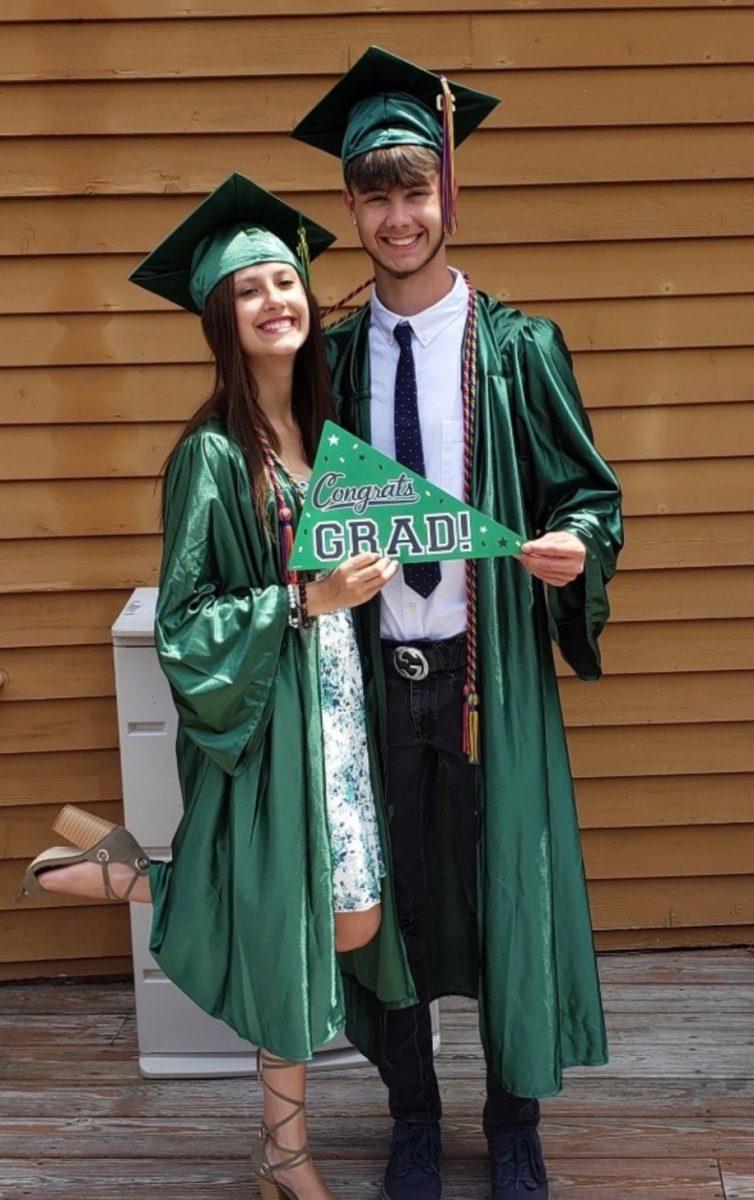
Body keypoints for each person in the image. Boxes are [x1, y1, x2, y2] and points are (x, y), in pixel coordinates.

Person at [15, 171, 417, 1200]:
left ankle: (137, 874)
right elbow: (186, 625)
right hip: (265, 718)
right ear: (221, 319)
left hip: (335, 714)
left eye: (287, 280)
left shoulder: (324, 440)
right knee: (290, 933)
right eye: (252, 289)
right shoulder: (206, 456)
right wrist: (304, 602)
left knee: (352, 922)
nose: (278, 299)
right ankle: (284, 1151)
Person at [292, 47, 624, 1200]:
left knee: (499, 891)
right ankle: (413, 1118)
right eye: (375, 195)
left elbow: (591, 495)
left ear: (448, 191)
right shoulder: (328, 361)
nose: (397, 216)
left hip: (490, 683)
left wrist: (577, 545)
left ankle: (512, 1118)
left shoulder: (517, 349)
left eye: (414, 188)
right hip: (375, 675)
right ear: (350, 206)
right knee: (396, 901)